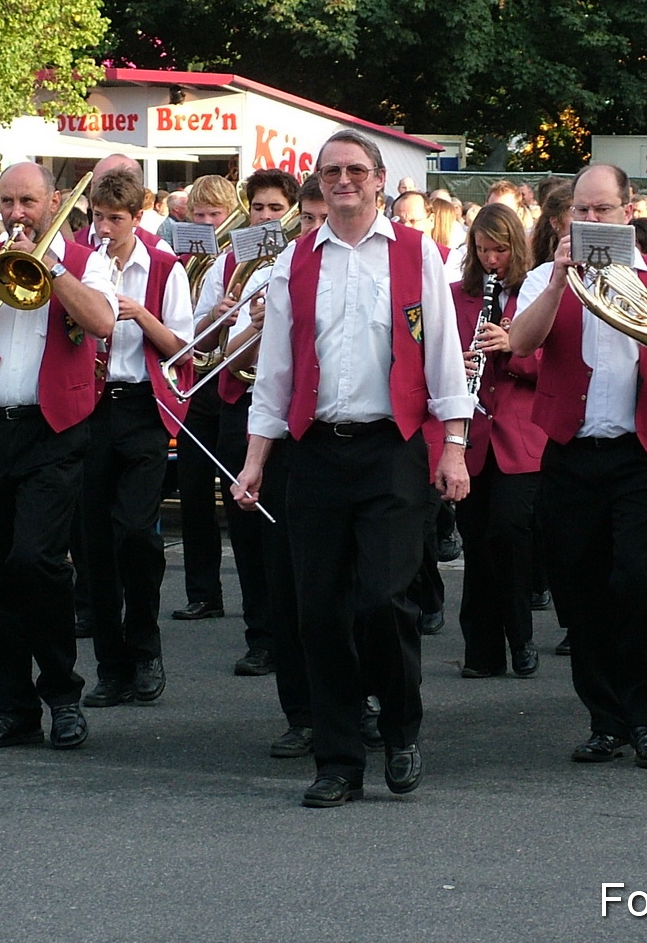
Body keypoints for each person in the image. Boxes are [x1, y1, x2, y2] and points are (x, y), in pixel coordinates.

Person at [233, 130, 472, 808]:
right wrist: (254, 462)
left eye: (355, 171)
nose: (343, 181)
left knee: (383, 600)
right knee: (319, 611)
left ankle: (399, 729)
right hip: (314, 453)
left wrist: (452, 444)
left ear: (379, 181)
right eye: (331, 171)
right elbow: (273, 374)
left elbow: (444, 357)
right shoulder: (293, 262)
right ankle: (337, 758)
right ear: (317, 182)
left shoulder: (416, 252)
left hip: (390, 448)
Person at [508, 163, 647, 771]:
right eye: (580, 212)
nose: (590, 221)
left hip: (642, 454)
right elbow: (519, 342)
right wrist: (561, 280)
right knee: (581, 590)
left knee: (640, 585)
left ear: (627, 211)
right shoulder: (546, 274)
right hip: (571, 452)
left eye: (602, 210)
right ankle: (604, 718)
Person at [0, 162, 117, 751]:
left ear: (55, 201)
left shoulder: (88, 258)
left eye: (28, 202)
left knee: (36, 560)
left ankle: (63, 695)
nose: (17, 213)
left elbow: (102, 322)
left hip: (54, 430)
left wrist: (52, 268)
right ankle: (14, 708)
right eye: (8, 202)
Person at [78, 169, 195, 708]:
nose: (104, 228)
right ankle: (110, 664)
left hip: (142, 408)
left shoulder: (164, 266)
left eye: (115, 219)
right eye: (97, 217)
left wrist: (140, 313)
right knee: (94, 542)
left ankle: (145, 648)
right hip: (92, 407)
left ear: (138, 215)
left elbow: (181, 348)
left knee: (136, 535)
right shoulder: (83, 260)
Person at [197, 168, 301, 679]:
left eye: (275, 209)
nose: (264, 217)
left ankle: (295, 631)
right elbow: (211, 350)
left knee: (289, 526)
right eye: (257, 208)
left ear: (293, 212)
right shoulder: (231, 264)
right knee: (245, 525)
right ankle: (260, 635)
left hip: (292, 407)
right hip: (241, 402)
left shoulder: (305, 260)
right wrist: (241, 323)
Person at [440, 204, 544, 679]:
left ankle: (520, 637)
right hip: (472, 434)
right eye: (481, 249)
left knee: (511, 536)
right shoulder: (457, 295)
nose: (490, 259)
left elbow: (552, 365)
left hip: (520, 435)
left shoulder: (535, 291)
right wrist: (451, 365)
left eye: (499, 249)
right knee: (477, 543)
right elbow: (435, 353)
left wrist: (513, 348)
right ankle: (482, 650)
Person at [171, 172, 240, 623]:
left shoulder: (240, 256)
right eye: (198, 215)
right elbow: (188, 333)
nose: (207, 223)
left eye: (215, 215)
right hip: (198, 381)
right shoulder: (182, 257)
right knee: (194, 490)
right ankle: (203, 591)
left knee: (236, 492)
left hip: (233, 380)